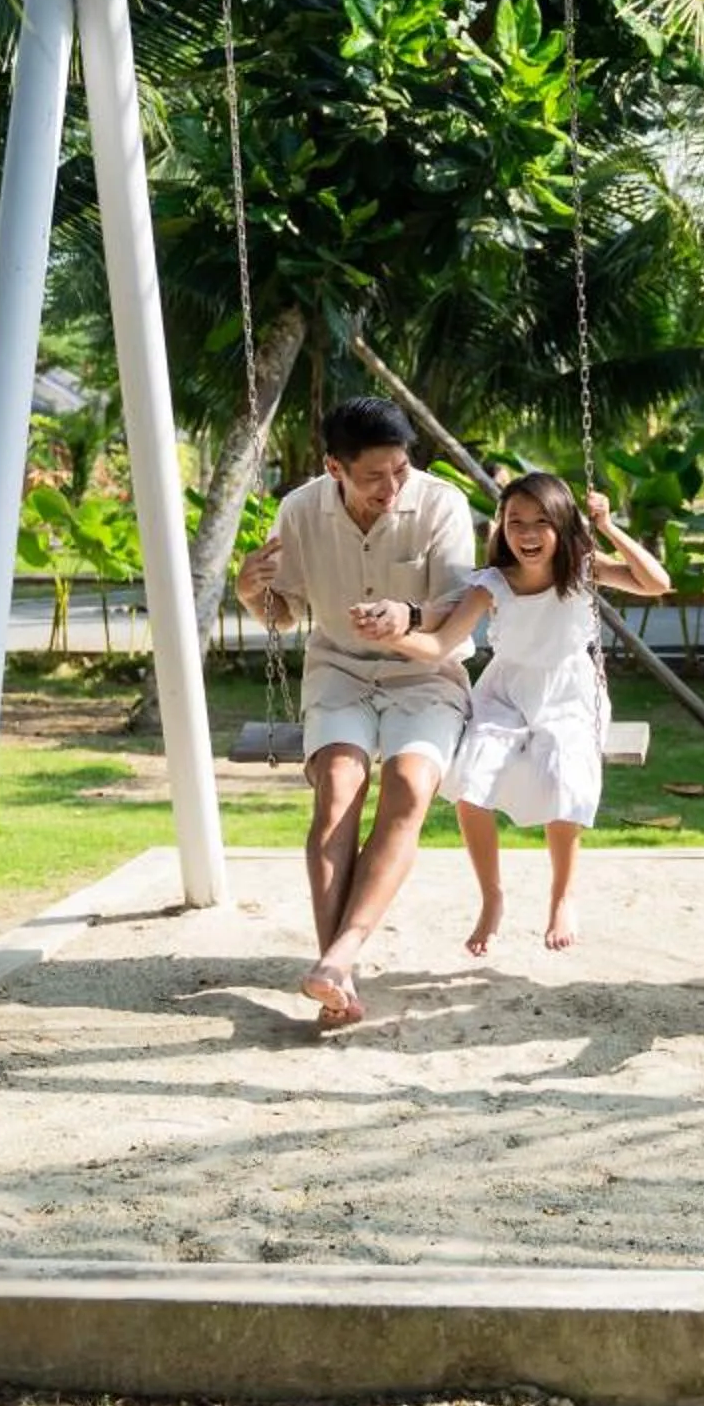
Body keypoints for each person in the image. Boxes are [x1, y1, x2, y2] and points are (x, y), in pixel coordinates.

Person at [234, 397, 475, 1028]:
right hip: (338, 670)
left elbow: (461, 607)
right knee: (338, 790)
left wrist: (409, 616)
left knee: (408, 786)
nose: (393, 486)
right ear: (334, 467)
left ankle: (338, 956)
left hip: (425, 672)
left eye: (401, 469)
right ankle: (335, 971)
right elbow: (281, 613)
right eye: (375, 477)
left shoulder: (440, 504)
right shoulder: (299, 510)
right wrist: (247, 590)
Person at [371, 474, 670, 957]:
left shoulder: (582, 569)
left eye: (541, 523)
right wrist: (393, 638)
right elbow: (442, 644)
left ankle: (562, 898)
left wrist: (607, 527)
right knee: (470, 783)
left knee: (564, 779)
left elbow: (657, 583)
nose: (528, 535)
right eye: (516, 523)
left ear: (563, 526)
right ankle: (492, 899)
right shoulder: (492, 584)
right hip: (506, 692)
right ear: (501, 529)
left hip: (570, 692)